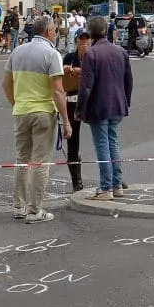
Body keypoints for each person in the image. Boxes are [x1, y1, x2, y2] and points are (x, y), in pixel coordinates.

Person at [1, 15, 70, 222]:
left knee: (22, 160)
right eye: (55, 30)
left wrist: (17, 103)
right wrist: (66, 120)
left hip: (21, 111)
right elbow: (58, 92)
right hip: (43, 113)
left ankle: (18, 207)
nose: (56, 33)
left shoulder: (17, 51)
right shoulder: (52, 54)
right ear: (48, 32)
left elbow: (6, 84)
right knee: (40, 163)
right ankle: (34, 210)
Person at [77, 14, 133, 201]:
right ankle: (117, 184)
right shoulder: (120, 52)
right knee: (113, 142)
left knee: (102, 145)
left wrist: (80, 110)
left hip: (99, 106)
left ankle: (106, 187)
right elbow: (128, 81)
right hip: (118, 103)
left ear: (91, 34)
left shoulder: (91, 54)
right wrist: (126, 100)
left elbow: (86, 87)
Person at [61, 30, 91, 191]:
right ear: (76, 42)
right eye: (81, 41)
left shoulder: (93, 57)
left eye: (87, 41)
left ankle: (113, 177)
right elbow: (65, 77)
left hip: (92, 101)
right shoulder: (69, 58)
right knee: (73, 141)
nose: (84, 44)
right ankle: (76, 181)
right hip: (72, 101)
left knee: (102, 138)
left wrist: (79, 72)